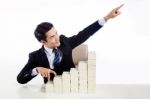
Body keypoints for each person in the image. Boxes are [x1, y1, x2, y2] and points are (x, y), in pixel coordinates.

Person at [17, 4, 123, 84]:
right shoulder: (35, 56)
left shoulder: (65, 42)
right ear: (43, 41)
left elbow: (85, 33)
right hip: (51, 93)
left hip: (73, 88)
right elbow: (20, 79)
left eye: (56, 33)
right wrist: (37, 70)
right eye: (52, 37)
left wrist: (107, 18)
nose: (57, 38)